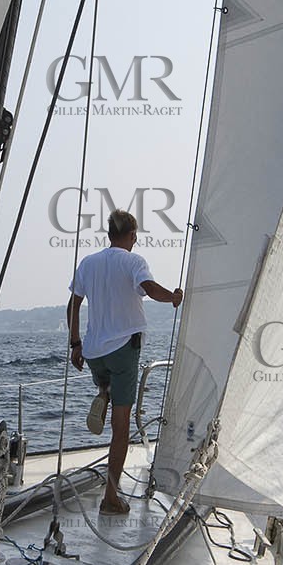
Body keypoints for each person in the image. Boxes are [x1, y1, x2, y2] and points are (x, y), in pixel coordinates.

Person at [67, 209, 183, 515]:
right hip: (123, 350)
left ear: (108, 234)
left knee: (106, 377)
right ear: (131, 236)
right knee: (120, 428)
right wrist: (173, 297)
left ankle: (103, 390)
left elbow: (74, 303)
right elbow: (149, 289)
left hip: (93, 352)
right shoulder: (134, 261)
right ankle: (111, 497)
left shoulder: (88, 263)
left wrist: (75, 343)